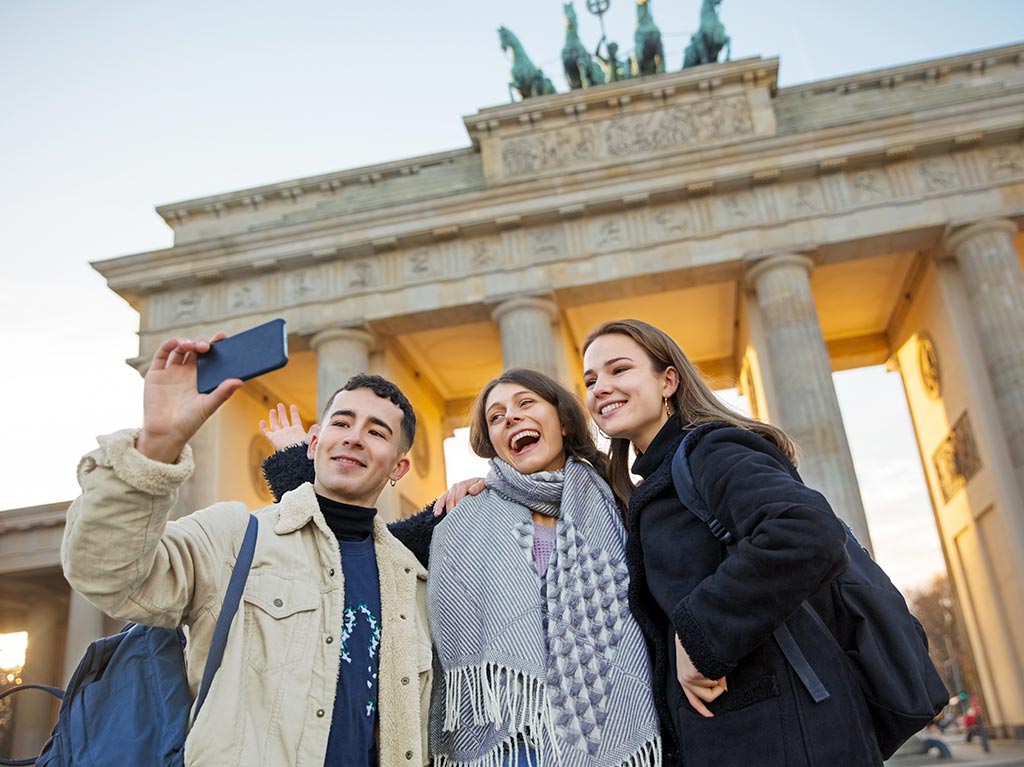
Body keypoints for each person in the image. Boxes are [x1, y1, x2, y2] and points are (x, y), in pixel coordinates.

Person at [62, 334, 431, 767]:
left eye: (376, 432)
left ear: (399, 467)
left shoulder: (413, 583)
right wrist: (156, 446)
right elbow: (107, 573)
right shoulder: (237, 535)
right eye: (342, 423)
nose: (353, 438)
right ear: (314, 444)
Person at [262, 369, 662, 767]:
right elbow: (361, 544)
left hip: (617, 728)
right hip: (505, 746)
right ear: (492, 443)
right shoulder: (460, 515)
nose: (511, 418)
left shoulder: (623, 504)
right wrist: (307, 462)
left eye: (526, 404)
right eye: (496, 417)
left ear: (562, 420)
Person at [579, 319, 881, 767]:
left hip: (785, 730)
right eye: (590, 380)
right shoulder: (647, 486)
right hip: (744, 729)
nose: (600, 387)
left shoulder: (710, 451)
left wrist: (699, 635)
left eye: (618, 370)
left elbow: (806, 531)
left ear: (668, 380)